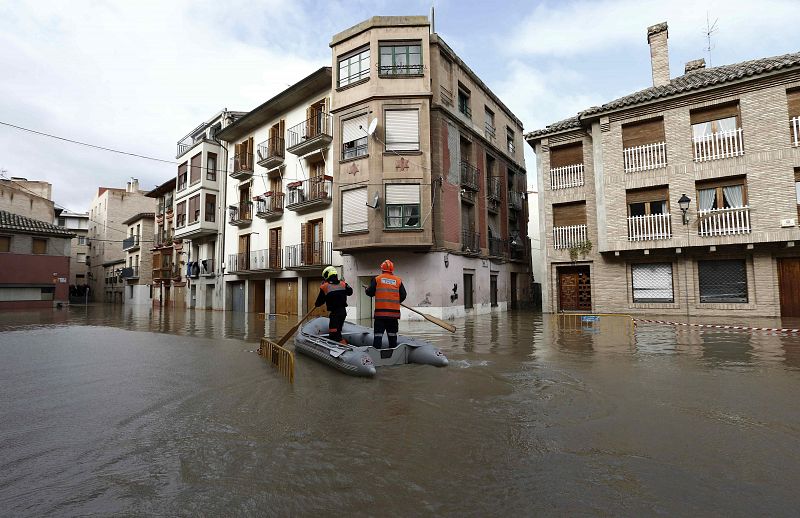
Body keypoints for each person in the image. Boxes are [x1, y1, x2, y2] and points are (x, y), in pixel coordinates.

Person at [364, 259, 406, 349]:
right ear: (392, 269)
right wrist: (395, 302)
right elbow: (403, 295)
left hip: (380, 315)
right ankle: (393, 355)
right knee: (392, 336)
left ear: (382, 269)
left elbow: (370, 293)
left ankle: (377, 356)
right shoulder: (398, 280)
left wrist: (366, 290)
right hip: (393, 316)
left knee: (378, 336)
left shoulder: (377, 279)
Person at [315, 266, 352, 344]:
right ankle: (341, 343)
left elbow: (319, 302)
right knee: (337, 331)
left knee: (334, 334)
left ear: (327, 275)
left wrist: (316, 304)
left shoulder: (325, 286)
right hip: (343, 312)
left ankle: (343, 346)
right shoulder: (343, 284)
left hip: (335, 314)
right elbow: (350, 292)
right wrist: (344, 284)